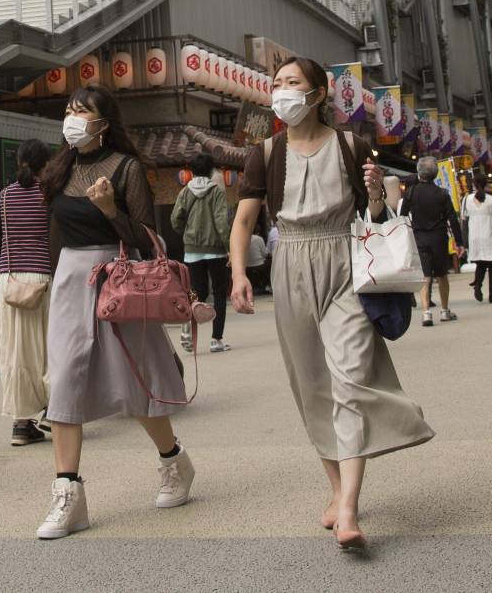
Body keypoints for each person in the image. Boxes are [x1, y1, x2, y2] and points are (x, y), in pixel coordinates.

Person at [230, 56, 434, 552]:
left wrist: (375, 196)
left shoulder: (350, 144)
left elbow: (375, 213)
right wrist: (237, 273)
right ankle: (339, 488)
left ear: (319, 93)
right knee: (311, 384)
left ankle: (348, 511)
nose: (282, 91)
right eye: (276, 84)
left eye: (292, 83)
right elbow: (243, 221)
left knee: (350, 376)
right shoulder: (265, 151)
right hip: (291, 263)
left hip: (343, 260)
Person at [36, 87, 193, 541]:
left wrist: (108, 209)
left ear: (104, 123)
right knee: (63, 380)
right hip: (70, 281)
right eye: (68, 109)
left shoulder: (125, 168)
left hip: (118, 278)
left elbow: (147, 239)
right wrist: (50, 276)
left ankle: (174, 461)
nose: (72, 117)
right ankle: (68, 492)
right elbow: (56, 231)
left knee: (135, 377)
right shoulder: (60, 168)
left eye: (82, 110)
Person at [0, 139, 54, 447]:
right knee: (46, 349)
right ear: (46, 164)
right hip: (40, 278)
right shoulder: (49, 195)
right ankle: (54, 413)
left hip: (7, 279)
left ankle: (21, 424)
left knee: (14, 352)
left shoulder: (4, 196)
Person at [171, 151, 234, 353]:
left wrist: (187, 233)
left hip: (192, 251)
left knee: (197, 293)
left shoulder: (184, 192)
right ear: (210, 170)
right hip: (216, 250)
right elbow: (222, 223)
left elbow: (175, 220)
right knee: (218, 294)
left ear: (191, 171)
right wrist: (229, 248)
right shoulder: (216, 191)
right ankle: (216, 340)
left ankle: (189, 328)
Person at [400, 155, 462, 326]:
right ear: (435, 174)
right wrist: (460, 242)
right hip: (439, 238)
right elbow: (453, 219)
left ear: (419, 173)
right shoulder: (442, 193)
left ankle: (426, 313)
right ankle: (444, 310)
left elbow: (403, 215)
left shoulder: (411, 192)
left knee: (425, 276)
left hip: (420, 238)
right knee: (442, 275)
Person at [460, 174, 492, 304]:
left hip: (474, 236)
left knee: (480, 264)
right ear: (486, 184)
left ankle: (477, 285)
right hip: (489, 235)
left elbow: (463, 218)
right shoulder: (491, 199)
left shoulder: (466, 199)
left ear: (473, 185)